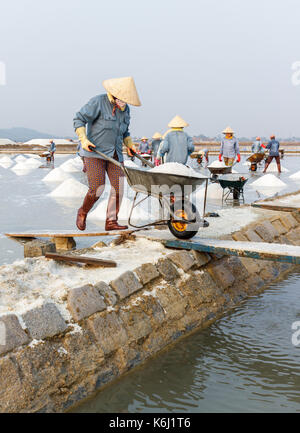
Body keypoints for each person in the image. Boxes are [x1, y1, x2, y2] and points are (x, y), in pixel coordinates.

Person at [73, 76, 140, 231]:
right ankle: (82, 212)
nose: (125, 102)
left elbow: (125, 131)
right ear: (115, 95)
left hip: (115, 154)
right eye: (123, 99)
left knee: (119, 188)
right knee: (97, 188)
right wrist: (84, 139)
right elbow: (79, 119)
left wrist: (129, 145)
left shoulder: (125, 109)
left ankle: (111, 221)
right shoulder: (98, 102)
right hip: (94, 152)